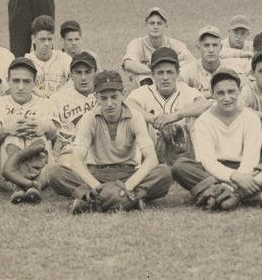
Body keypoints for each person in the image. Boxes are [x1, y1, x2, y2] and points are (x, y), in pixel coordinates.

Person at [45, 69, 177, 214]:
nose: (109, 104)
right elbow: (76, 160)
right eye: (104, 98)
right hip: (96, 173)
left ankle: (90, 201)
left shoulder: (135, 117)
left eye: (114, 97)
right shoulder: (89, 118)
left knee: (164, 173)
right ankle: (131, 200)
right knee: (55, 173)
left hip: (127, 172)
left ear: (123, 95)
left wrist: (127, 187)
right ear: (96, 98)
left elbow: (151, 159)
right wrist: (97, 186)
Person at [171, 70, 262, 210]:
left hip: (247, 170)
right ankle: (249, 195)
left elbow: (251, 158)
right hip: (213, 172)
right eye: (220, 93)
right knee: (180, 166)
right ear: (212, 94)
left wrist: (239, 178)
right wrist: (234, 178)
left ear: (239, 91)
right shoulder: (203, 121)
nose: (227, 98)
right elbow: (209, 162)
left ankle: (223, 195)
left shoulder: (251, 118)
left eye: (231, 92)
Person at [0, 56, 58, 203]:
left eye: (26, 81)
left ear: (34, 83)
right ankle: (23, 185)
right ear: (8, 81)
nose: (21, 87)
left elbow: (53, 137)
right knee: (12, 134)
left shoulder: (45, 103)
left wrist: (44, 127)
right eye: (16, 81)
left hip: (40, 169)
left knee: (36, 130)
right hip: (5, 173)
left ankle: (27, 185)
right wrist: (7, 129)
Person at [125, 47, 209, 164]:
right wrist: (151, 118)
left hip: (183, 149)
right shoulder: (144, 91)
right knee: (135, 120)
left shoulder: (185, 90)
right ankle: (135, 167)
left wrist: (177, 115)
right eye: (160, 73)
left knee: (198, 120)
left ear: (178, 73)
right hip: (151, 148)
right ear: (152, 74)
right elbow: (127, 104)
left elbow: (205, 104)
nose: (165, 77)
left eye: (169, 72)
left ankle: (201, 164)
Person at [121, 7, 192, 90]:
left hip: (171, 86)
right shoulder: (137, 43)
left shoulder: (176, 44)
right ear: (146, 25)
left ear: (166, 25)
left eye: (159, 23)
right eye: (152, 23)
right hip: (144, 89)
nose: (155, 26)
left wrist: (170, 71)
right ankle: (146, 97)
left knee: (184, 67)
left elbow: (191, 61)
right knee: (140, 71)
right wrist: (155, 71)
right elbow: (128, 63)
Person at [50, 52, 100, 161]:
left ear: (95, 73)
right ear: (71, 75)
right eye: (78, 73)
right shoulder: (58, 98)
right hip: (71, 150)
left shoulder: (105, 96)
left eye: (88, 72)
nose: (83, 78)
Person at [181, 26, 249, 92]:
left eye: (215, 45)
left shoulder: (232, 69)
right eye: (206, 45)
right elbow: (177, 94)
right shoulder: (189, 70)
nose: (211, 50)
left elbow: (247, 92)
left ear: (221, 47)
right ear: (198, 47)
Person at [26, 15, 72, 96]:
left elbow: (74, 79)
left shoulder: (64, 58)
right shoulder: (27, 61)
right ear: (33, 38)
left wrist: (56, 93)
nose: (46, 44)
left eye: (49, 39)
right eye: (42, 39)